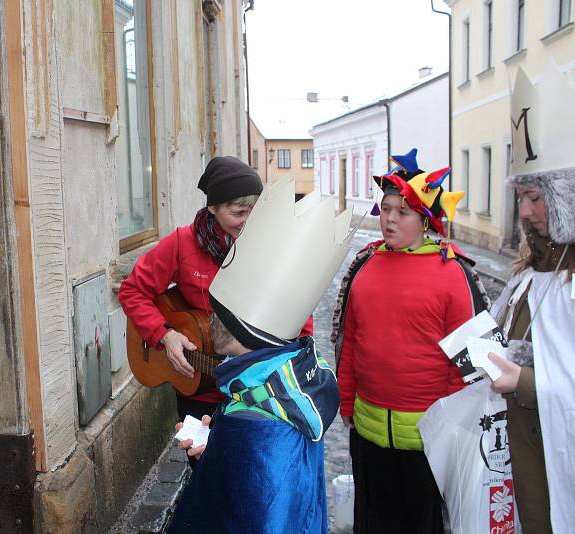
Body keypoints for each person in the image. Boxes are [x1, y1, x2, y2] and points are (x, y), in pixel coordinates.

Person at [169, 177, 351, 533]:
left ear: (240, 328)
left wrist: (232, 440)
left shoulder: (257, 426)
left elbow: (262, 512)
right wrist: (220, 446)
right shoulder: (276, 384)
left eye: (216, 313)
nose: (207, 321)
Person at [331, 149, 490, 533]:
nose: (389, 218)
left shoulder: (451, 272)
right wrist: (347, 399)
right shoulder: (364, 265)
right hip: (368, 432)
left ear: (424, 220)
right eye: (386, 209)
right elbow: (349, 340)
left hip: (426, 439)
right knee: (372, 523)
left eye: (402, 212)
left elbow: (466, 363)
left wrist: (447, 424)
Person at [118, 156, 313, 450]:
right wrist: (165, 335)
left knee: (247, 471)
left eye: (254, 211)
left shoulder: (271, 247)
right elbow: (132, 291)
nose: (248, 221)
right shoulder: (182, 243)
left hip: (255, 393)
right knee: (202, 466)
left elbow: (299, 318)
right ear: (213, 208)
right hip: (197, 390)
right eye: (238, 212)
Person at [487, 63, 575, 534]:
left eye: (537, 198)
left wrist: (521, 381)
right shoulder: (530, 273)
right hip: (519, 463)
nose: (523, 212)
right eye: (520, 197)